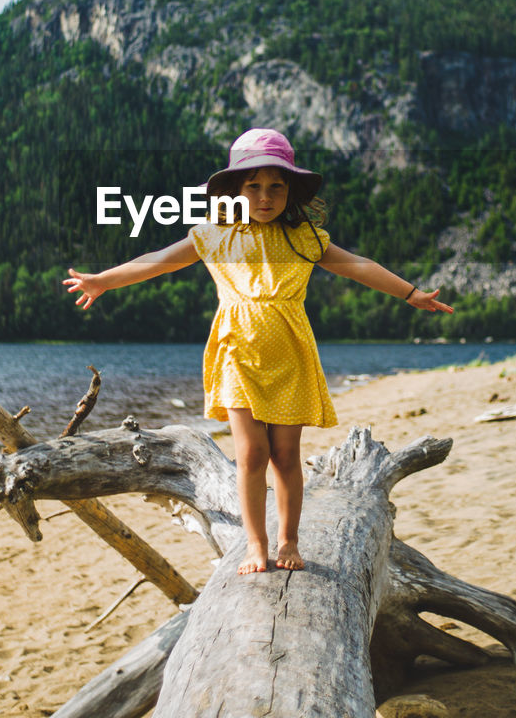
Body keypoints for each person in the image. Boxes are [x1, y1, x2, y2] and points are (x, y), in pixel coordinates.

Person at [64, 128, 453, 575]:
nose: (265, 196)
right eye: (253, 186)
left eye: (276, 186)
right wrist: (102, 281)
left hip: (290, 352)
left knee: (286, 455)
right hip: (237, 352)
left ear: (291, 192)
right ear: (233, 189)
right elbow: (156, 259)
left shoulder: (306, 238)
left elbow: (359, 267)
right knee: (251, 455)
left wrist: (411, 294)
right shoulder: (213, 234)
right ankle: (255, 545)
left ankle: (288, 539)